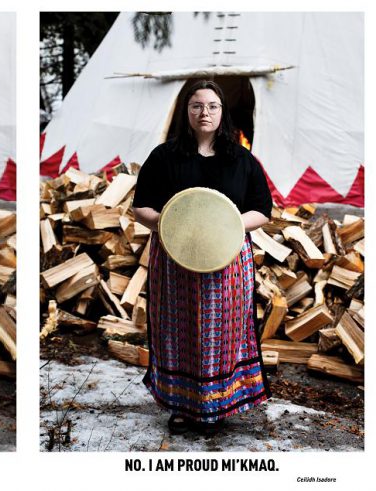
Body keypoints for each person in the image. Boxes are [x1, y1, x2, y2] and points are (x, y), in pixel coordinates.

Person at [132, 80, 272, 435]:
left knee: (220, 334)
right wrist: (170, 223)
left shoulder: (240, 159)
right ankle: (183, 407)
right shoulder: (165, 156)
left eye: (212, 106)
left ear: (221, 112)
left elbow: (262, 210)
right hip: (175, 260)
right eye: (197, 106)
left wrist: (226, 225)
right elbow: (141, 208)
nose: (204, 112)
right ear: (187, 111)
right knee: (179, 333)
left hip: (226, 262)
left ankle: (217, 407)